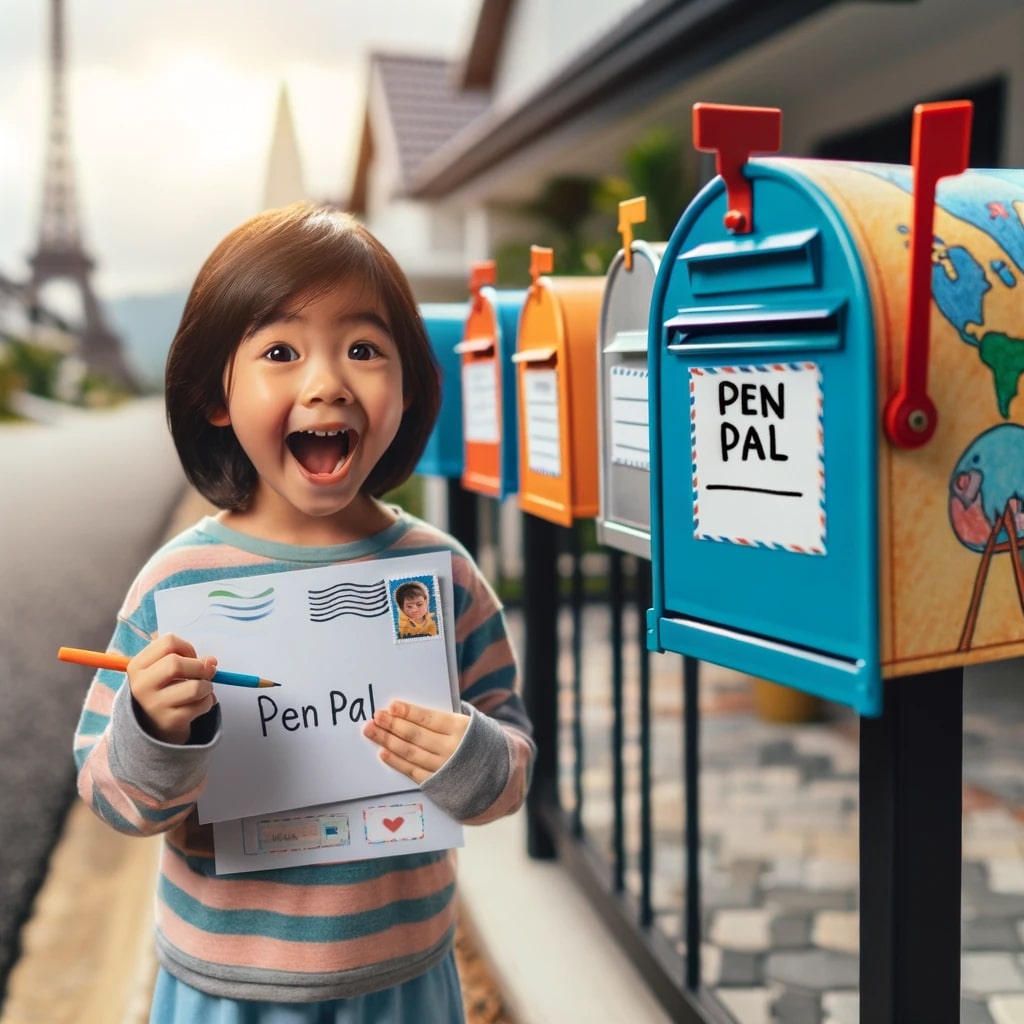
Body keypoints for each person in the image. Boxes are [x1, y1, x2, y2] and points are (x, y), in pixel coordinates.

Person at [72, 202, 535, 1024]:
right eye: (280, 351)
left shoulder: (442, 576)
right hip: (226, 988)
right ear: (217, 395)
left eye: (363, 349)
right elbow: (116, 801)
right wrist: (153, 728)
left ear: (407, 387)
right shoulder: (176, 583)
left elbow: (512, 764)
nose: (326, 382)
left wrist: (472, 753)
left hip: (405, 979)